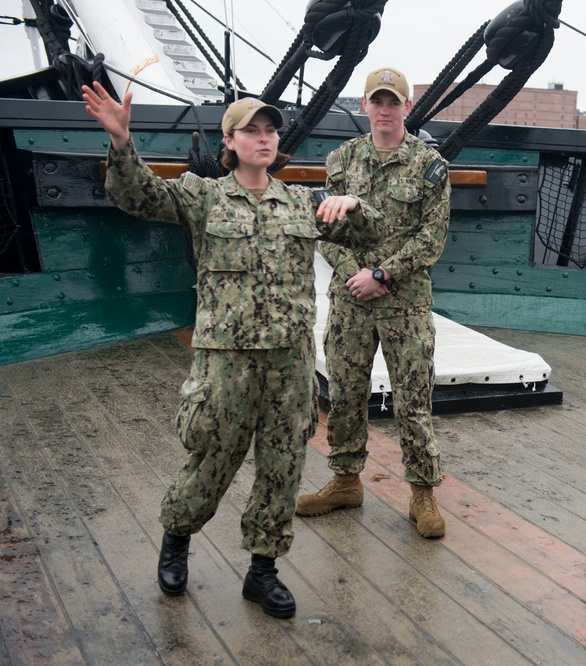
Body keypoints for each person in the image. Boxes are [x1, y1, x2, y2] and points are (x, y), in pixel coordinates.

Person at [82, 82, 370, 618]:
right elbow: (139, 197)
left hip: (289, 362)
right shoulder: (205, 194)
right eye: (251, 132)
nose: (264, 139)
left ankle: (263, 571)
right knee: (213, 458)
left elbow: (370, 231)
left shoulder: (302, 203)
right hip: (227, 363)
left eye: (270, 131)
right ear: (230, 142)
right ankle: (177, 537)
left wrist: (353, 202)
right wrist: (122, 143)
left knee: (282, 468)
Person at [295, 67, 451, 538]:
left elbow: (433, 236)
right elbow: (328, 231)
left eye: (394, 102)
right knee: (343, 394)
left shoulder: (428, 165)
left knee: (413, 401)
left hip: (405, 304)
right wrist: (355, 276)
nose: (385, 110)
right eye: (377, 101)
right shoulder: (340, 160)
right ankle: (345, 481)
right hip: (352, 301)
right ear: (364, 106)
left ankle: (422, 492)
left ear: (406, 108)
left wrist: (383, 274)